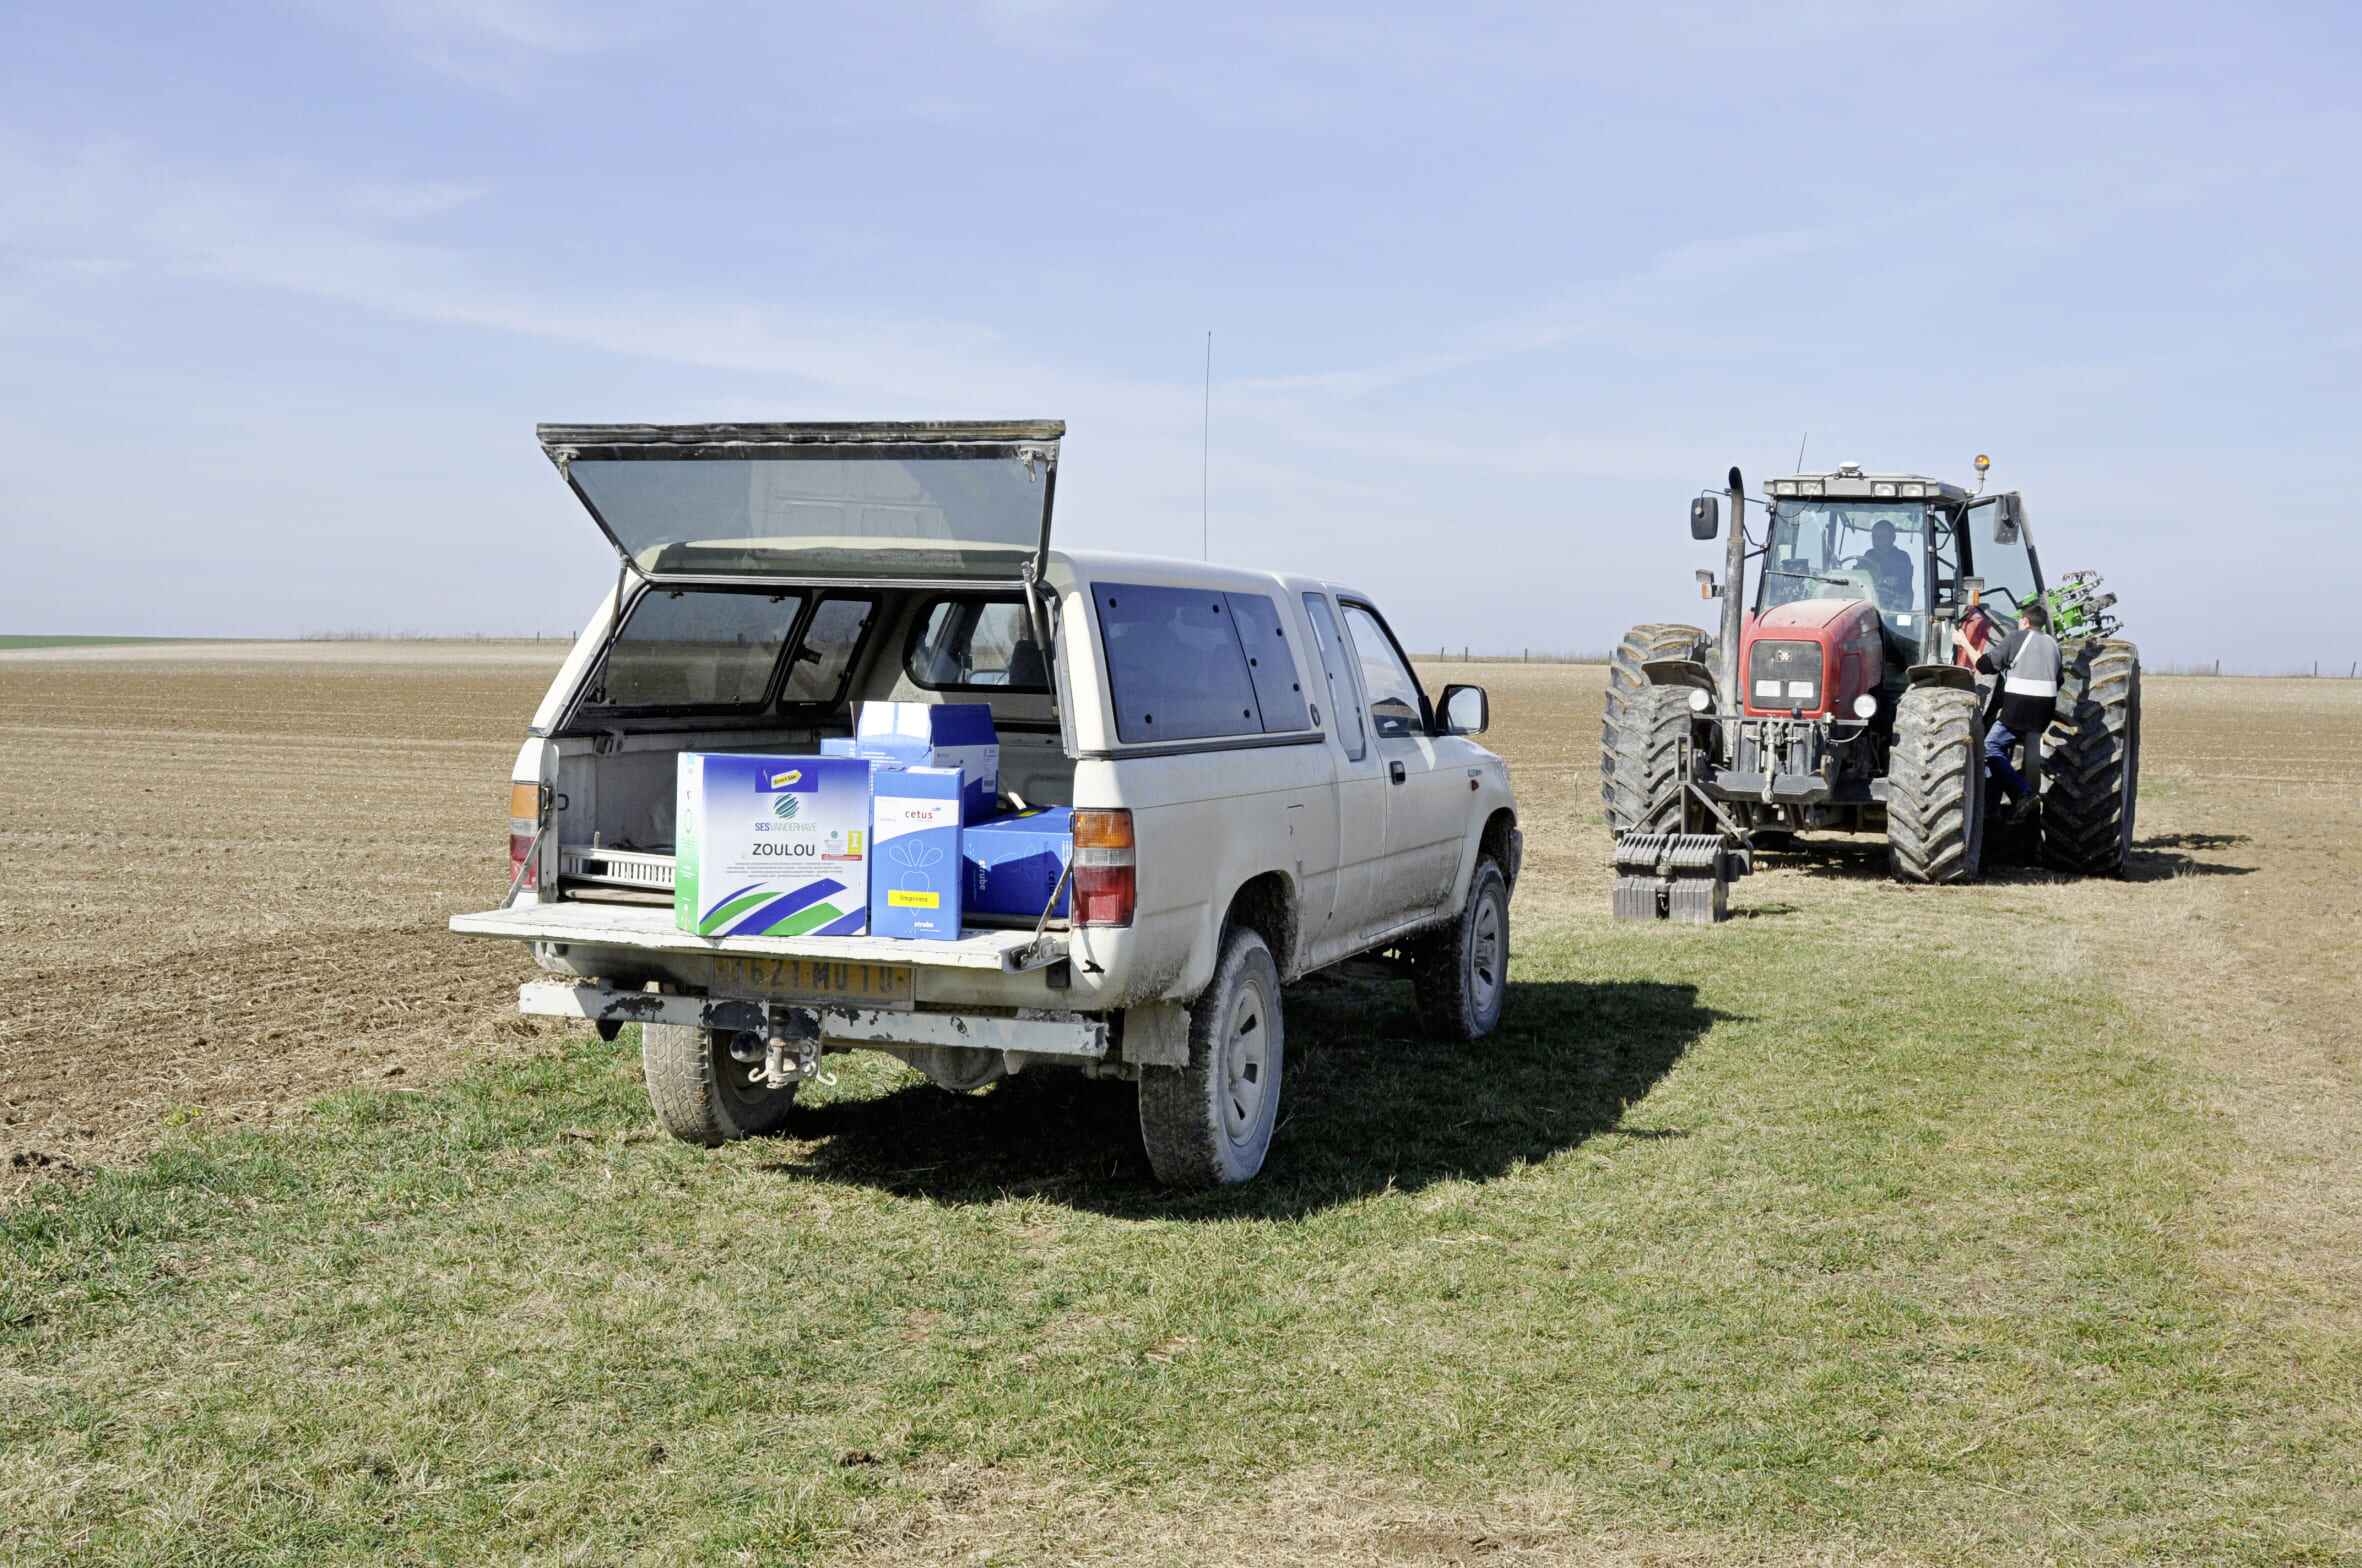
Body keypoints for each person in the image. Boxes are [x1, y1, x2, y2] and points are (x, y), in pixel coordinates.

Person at [1953, 600, 2062, 822]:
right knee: (2008, 743)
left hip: (2019, 709)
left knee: (1991, 746)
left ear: (2024, 621)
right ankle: (2003, 802)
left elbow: (1984, 666)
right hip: (2044, 713)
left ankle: (2023, 794)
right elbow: (2059, 680)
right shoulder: (2053, 644)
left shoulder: (2016, 637)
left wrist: (1963, 641)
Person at [1858, 520, 1914, 609]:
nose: (1877, 540)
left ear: (1893, 538)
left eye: (1882, 536)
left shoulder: (1902, 557)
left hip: (1894, 604)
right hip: (1870, 601)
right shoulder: (1869, 555)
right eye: (1874, 536)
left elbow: (1903, 582)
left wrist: (1885, 581)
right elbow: (1859, 575)